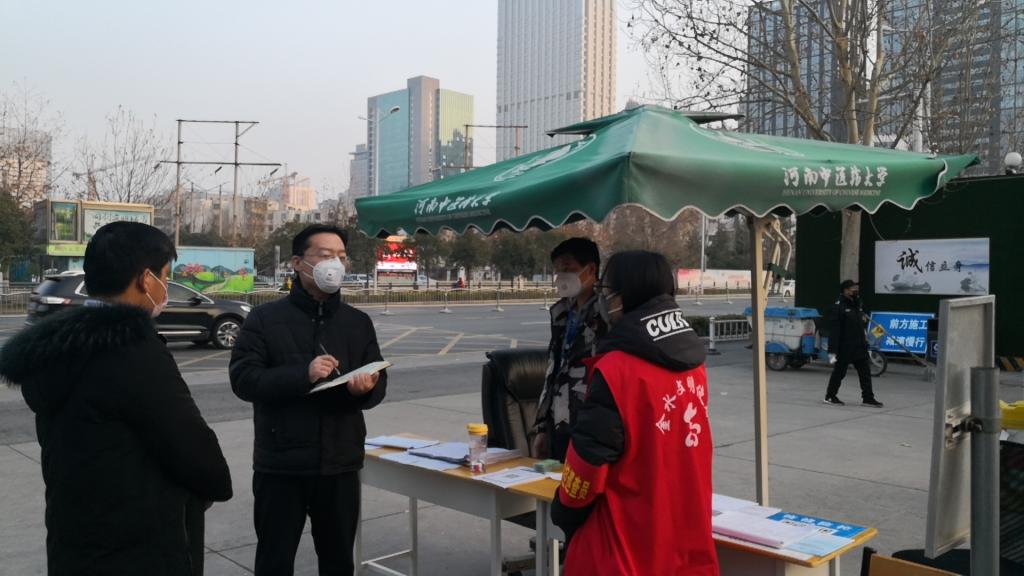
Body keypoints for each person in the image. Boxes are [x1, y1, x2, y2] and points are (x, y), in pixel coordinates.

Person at [0, 221, 232, 574]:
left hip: (74, 536)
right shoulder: (132, 351)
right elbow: (191, 446)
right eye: (164, 276)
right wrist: (216, 483)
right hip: (137, 546)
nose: (165, 286)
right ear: (145, 279)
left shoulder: (56, 349)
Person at [230, 224, 387, 576]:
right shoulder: (264, 319)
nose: (336, 264)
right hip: (281, 465)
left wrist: (365, 389)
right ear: (298, 263)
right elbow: (243, 380)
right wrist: (304, 374)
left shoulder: (358, 322)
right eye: (326, 255)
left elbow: (379, 380)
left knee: (338, 561)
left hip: (340, 464)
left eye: (342, 257)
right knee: (274, 560)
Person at [551, 250, 717, 575]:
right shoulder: (694, 365)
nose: (604, 299)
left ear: (627, 295)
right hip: (683, 536)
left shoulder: (617, 369)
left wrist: (563, 510)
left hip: (625, 546)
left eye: (608, 290)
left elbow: (587, 466)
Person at [533, 237, 608, 461]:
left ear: (590, 269)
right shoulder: (561, 312)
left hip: (592, 422)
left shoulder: (607, 312)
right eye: (558, 271)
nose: (561, 276)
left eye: (568, 269)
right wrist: (542, 427)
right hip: (559, 420)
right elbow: (553, 369)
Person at [825, 280, 884, 407]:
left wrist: (866, 338)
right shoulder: (838, 307)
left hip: (859, 346)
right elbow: (834, 331)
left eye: (855, 288)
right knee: (839, 373)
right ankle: (830, 396)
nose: (855, 290)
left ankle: (868, 398)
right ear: (845, 290)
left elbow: (861, 325)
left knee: (865, 373)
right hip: (845, 347)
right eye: (852, 288)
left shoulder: (857, 305)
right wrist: (832, 352)